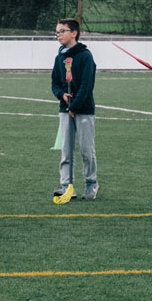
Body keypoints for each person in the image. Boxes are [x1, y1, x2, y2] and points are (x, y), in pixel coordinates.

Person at [51, 19, 98, 202]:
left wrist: (75, 106)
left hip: (83, 110)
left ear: (74, 33)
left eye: (62, 31)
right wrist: (61, 94)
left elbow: (87, 85)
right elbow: (55, 83)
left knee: (86, 149)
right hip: (65, 109)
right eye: (57, 32)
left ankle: (91, 183)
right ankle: (66, 185)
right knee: (66, 150)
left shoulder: (85, 56)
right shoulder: (59, 57)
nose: (59, 35)